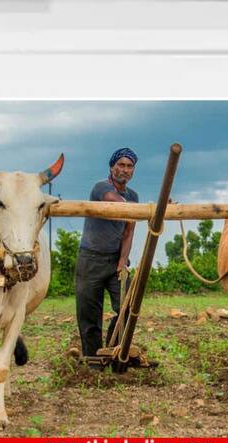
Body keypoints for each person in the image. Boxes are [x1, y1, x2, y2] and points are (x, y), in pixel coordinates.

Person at [75, 147, 139, 358]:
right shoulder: (100, 188)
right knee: (89, 313)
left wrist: (122, 260)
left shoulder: (133, 196)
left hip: (115, 260)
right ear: (112, 167)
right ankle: (92, 359)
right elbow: (115, 202)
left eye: (129, 166)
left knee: (128, 306)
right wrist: (153, 208)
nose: (125, 169)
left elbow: (129, 231)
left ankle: (113, 350)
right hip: (90, 259)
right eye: (121, 165)